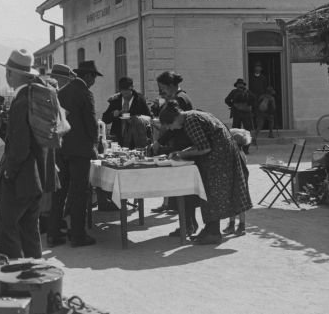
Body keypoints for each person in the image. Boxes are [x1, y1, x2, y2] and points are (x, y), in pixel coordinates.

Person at [0, 49, 58, 259]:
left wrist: (8, 174)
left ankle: (14, 277)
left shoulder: (21, 101)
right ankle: (36, 276)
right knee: (29, 230)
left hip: (21, 179)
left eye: (7, 73)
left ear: (11, 74)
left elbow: (19, 147)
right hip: (38, 177)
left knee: (5, 230)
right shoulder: (38, 96)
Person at [159, 100, 253, 244]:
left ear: (175, 118)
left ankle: (213, 233)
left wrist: (183, 154)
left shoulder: (190, 122)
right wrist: (182, 152)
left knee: (211, 192)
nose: (171, 129)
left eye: (170, 125)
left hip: (219, 157)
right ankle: (209, 230)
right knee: (210, 192)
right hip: (223, 153)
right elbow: (202, 144)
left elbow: (204, 148)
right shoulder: (193, 115)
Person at [53, 60, 102, 247]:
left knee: (61, 190)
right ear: (88, 76)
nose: (94, 82)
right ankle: (78, 234)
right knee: (79, 191)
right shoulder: (85, 93)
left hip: (63, 146)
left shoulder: (62, 92)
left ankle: (54, 232)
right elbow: (90, 122)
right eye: (94, 77)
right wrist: (95, 145)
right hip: (80, 149)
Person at [149, 71, 199, 237]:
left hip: (183, 145)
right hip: (182, 144)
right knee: (183, 189)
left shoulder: (179, 99)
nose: (162, 91)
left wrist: (159, 142)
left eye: (163, 88)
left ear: (171, 86)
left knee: (183, 188)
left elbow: (173, 126)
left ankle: (188, 225)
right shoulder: (182, 96)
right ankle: (188, 224)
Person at [45, 63, 76, 246]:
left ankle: (53, 227)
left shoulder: (51, 94)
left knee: (55, 191)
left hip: (55, 149)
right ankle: (53, 230)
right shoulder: (57, 96)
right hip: (58, 150)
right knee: (59, 191)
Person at [102, 76, 152, 148]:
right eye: (122, 90)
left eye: (127, 90)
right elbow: (105, 119)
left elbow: (149, 117)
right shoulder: (115, 100)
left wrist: (136, 119)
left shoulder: (140, 100)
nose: (124, 92)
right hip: (118, 139)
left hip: (135, 139)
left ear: (131, 88)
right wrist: (113, 114)